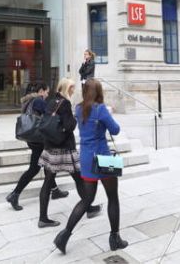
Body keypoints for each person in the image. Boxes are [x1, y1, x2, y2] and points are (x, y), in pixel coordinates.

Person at [54, 79, 127, 253]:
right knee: (113, 198)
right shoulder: (100, 109)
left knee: (86, 200)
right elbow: (115, 129)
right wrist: (109, 114)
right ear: (99, 92)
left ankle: (64, 235)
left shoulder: (78, 109)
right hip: (102, 157)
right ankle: (115, 238)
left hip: (86, 157)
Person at [36, 78, 101, 228]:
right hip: (64, 148)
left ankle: (43, 218)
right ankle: (88, 207)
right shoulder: (65, 103)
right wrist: (75, 119)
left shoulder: (51, 100)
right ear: (66, 88)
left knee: (47, 182)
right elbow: (69, 125)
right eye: (72, 88)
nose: (73, 90)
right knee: (78, 178)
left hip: (49, 146)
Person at [6, 83, 69, 211]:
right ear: (41, 91)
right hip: (39, 140)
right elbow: (50, 115)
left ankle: (55, 190)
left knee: (46, 165)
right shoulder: (38, 101)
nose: (47, 95)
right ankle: (15, 194)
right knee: (35, 168)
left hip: (33, 139)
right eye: (46, 92)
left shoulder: (28, 100)